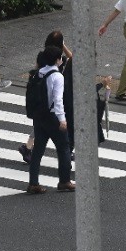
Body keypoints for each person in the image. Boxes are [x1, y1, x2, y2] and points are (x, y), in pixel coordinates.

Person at [19, 31, 73, 163]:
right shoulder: (60, 59)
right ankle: (65, 150)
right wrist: (64, 46)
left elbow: (36, 70)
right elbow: (73, 58)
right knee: (48, 125)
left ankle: (28, 147)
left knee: (41, 124)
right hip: (52, 97)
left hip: (40, 95)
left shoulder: (42, 56)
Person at [27, 46, 75, 194]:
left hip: (39, 116)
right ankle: (64, 181)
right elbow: (57, 100)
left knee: (38, 150)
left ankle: (33, 183)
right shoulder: (57, 76)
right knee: (64, 148)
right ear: (56, 60)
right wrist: (62, 119)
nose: (61, 59)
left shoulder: (38, 73)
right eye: (60, 57)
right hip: (53, 117)